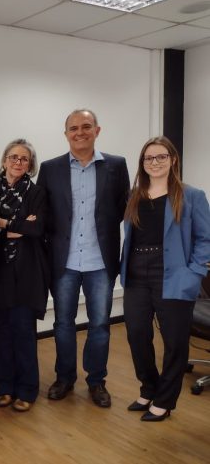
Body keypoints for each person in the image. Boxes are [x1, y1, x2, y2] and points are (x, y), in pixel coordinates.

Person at [37, 109, 129, 407]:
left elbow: (123, 208)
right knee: (63, 323)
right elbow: (42, 213)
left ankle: (96, 381)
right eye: (74, 128)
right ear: (66, 134)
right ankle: (64, 378)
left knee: (99, 324)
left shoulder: (116, 165)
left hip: (100, 262)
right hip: (63, 262)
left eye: (86, 126)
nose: (80, 132)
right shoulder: (50, 168)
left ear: (97, 131)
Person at [121, 136, 210, 421]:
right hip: (136, 272)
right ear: (142, 163)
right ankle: (149, 388)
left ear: (172, 160)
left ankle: (165, 399)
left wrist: (193, 273)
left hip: (173, 273)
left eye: (161, 156)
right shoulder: (135, 195)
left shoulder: (191, 195)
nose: (155, 162)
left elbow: (205, 239)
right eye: (149, 158)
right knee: (136, 334)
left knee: (174, 341)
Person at [0, 139, 49, 412]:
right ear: (4, 160)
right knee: (2, 331)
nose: (18, 162)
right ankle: (5, 387)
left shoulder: (37, 193)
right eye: (13, 157)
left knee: (23, 331)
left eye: (24, 159)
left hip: (26, 271)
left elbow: (38, 229)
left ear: (30, 165)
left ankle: (27, 390)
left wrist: (5, 223)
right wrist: (20, 225)